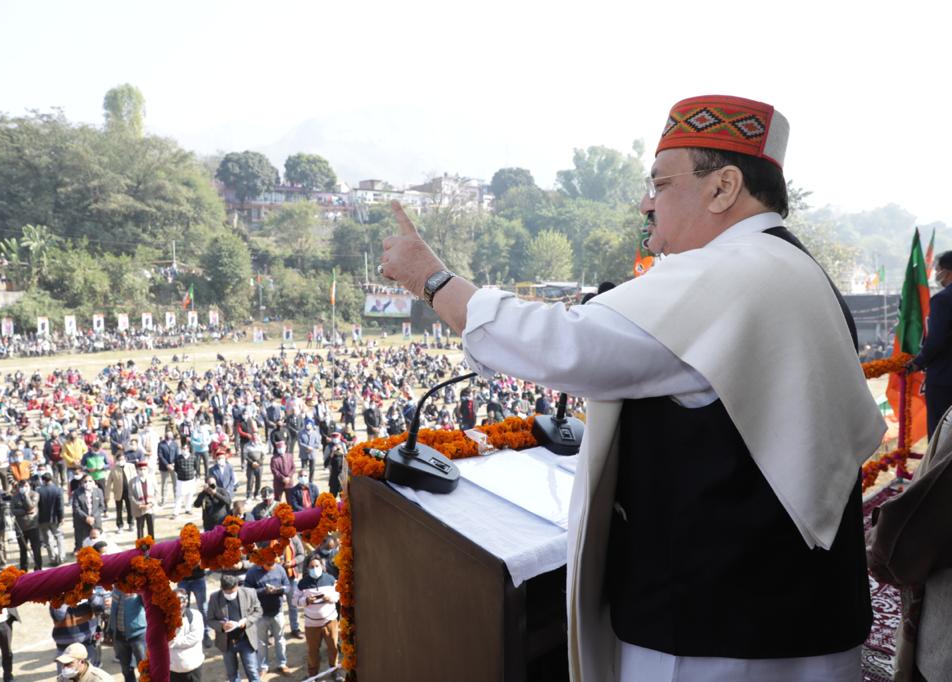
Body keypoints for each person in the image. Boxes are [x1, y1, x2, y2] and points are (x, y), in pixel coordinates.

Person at [379, 95, 886, 682]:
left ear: (723, 188)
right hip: (790, 605)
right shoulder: (792, 267)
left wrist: (433, 280)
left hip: (719, 630)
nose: (647, 203)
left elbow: (563, 344)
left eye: (661, 184)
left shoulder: (732, 273)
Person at [908, 251, 952, 437]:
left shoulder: (943, 300)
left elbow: (936, 339)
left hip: (945, 379)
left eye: (938, 269)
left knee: (940, 434)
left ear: (948, 271)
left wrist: (918, 362)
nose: (936, 274)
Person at [244, 555, 295, 675]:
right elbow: (247, 592)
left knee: (280, 640)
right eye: (268, 565)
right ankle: (263, 667)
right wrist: (264, 591)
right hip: (260, 613)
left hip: (277, 611)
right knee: (261, 642)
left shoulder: (279, 569)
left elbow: (288, 586)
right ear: (262, 562)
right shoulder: (252, 572)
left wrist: (280, 590)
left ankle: (282, 664)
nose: (271, 567)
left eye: (273, 564)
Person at [207, 574, 262, 682]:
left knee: (252, 671)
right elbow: (210, 620)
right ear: (222, 589)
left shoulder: (249, 593)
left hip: (246, 639)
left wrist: (247, 621)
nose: (231, 594)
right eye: (228, 592)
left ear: (237, 586)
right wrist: (222, 626)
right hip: (227, 642)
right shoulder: (215, 597)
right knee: (232, 674)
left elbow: (258, 611)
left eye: (233, 591)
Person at [296, 555, 340, 679]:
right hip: (311, 624)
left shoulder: (331, 579)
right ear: (307, 568)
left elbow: (338, 595)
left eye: (317, 566)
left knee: (333, 648)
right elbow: (295, 600)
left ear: (322, 567)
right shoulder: (302, 583)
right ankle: (312, 675)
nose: (315, 568)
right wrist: (306, 600)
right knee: (313, 652)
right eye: (312, 567)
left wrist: (330, 598)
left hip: (330, 621)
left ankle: (334, 671)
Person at [108, 586, 147, 682]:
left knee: (144, 668)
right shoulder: (116, 588)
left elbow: (147, 605)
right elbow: (113, 609)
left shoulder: (138, 586)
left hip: (138, 635)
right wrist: (110, 628)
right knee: (126, 669)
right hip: (119, 636)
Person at [169, 587, 205, 682]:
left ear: (186, 601)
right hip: (172, 669)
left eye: (181, 600)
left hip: (193, 667)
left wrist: (173, 642)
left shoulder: (195, 615)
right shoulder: (165, 619)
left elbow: (195, 637)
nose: (179, 604)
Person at [10, 478, 43, 571]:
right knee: (23, 550)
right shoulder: (15, 497)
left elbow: (31, 506)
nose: (23, 488)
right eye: (21, 486)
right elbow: (13, 511)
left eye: (26, 486)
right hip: (20, 527)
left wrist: (26, 495)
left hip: (33, 526)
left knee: (36, 549)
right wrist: (26, 512)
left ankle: (38, 567)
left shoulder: (35, 494)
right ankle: (23, 569)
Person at [37, 472, 65, 566]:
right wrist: (61, 517)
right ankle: (61, 556)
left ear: (43, 480)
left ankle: (52, 558)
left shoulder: (39, 491)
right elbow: (60, 506)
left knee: (47, 539)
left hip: (42, 519)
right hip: (55, 518)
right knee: (59, 537)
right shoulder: (58, 490)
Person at [71, 475, 104, 552]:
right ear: (82, 483)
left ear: (93, 482)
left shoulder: (99, 491)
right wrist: (86, 517)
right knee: (82, 544)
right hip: (81, 521)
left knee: (96, 543)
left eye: (90, 481)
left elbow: (101, 506)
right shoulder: (77, 492)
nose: (87, 483)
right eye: (85, 481)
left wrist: (93, 517)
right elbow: (76, 508)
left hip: (95, 521)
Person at [127, 460, 157, 540]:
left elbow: (156, 492)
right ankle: (140, 545)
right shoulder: (132, 481)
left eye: (144, 469)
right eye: (140, 469)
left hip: (150, 507)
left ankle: (152, 545)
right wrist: (139, 505)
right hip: (139, 508)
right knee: (140, 528)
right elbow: (131, 496)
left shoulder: (151, 479)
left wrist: (151, 503)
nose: (142, 471)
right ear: (137, 471)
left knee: (151, 527)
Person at [106, 452, 135, 533]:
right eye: (119, 459)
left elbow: (135, 477)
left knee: (130, 508)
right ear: (116, 460)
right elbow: (108, 482)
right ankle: (120, 526)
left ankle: (131, 523)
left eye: (123, 459)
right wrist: (107, 494)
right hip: (118, 492)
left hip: (129, 491)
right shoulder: (113, 469)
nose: (121, 461)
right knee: (119, 510)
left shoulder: (131, 466)